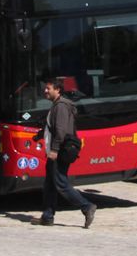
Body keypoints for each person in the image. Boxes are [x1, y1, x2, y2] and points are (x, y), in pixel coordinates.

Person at [30, 76, 95, 228]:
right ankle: (47, 217)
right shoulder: (57, 105)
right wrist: (40, 135)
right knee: (50, 185)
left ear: (57, 90)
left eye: (48, 88)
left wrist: (54, 149)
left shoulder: (61, 107)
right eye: (45, 88)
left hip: (59, 151)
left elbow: (61, 131)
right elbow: (53, 127)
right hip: (57, 150)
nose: (45, 91)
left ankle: (87, 206)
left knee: (61, 184)